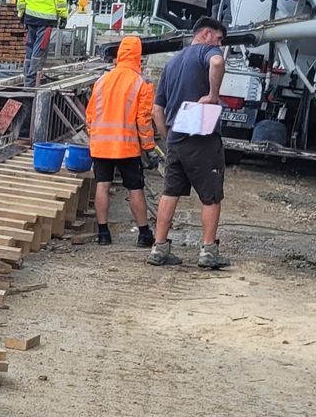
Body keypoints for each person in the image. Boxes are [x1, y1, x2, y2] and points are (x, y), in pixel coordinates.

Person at [148, 15, 230, 269]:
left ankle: (159, 248)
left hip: (176, 138)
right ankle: (208, 251)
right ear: (205, 34)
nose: (220, 44)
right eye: (218, 38)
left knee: (170, 192)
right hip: (202, 137)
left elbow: (156, 110)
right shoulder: (208, 52)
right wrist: (213, 95)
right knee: (211, 195)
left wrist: (167, 137)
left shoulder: (172, 63)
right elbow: (217, 62)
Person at [85, 34, 161, 245]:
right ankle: (144, 235)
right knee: (135, 188)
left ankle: (103, 234)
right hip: (127, 146)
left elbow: (90, 115)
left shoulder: (101, 80)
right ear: (139, 56)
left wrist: (96, 136)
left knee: (102, 185)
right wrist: (149, 147)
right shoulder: (141, 83)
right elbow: (143, 120)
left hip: (101, 144)